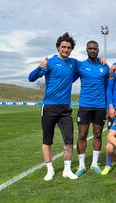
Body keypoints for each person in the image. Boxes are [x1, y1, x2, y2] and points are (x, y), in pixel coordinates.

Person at [28, 32, 79, 181]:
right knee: (47, 140)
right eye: (63, 46)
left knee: (69, 140)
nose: (66, 49)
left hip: (65, 108)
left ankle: (67, 170)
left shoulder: (73, 63)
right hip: (49, 107)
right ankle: (49, 170)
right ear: (58, 47)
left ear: (71, 49)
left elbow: (81, 70)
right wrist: (39, 67)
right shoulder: (49, 62)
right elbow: (31, 78)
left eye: (69, 47)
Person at [74, 40, 109, 176]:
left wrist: (107, 106)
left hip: (100, 106)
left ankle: (94, 163)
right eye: (90, 48)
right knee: (82, 135)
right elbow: (69, 78)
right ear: (87, 50)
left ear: (98, 50)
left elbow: (108, 87)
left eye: (95, 48)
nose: (92, 50)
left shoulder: (104, 67)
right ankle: (82, 166)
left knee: (98, 134)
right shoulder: (81, 66)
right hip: (84, 106)